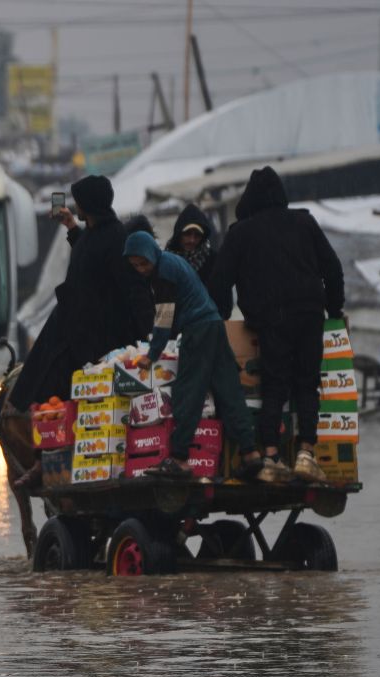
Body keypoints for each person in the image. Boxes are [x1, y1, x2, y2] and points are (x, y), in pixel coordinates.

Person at [211, 167, 345, 482]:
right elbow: (332, 268)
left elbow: (219, 283)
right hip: (310, 313)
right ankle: (306, 453)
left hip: (271, 318)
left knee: (275, 384)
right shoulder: (305, 222)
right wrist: (334, 308)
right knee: (307, 383)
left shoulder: (240, 232)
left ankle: (270, 456)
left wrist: (222, 316)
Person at [124, 231, 264, 478]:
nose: (141, 269)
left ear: (151, 255)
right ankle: (250, 452)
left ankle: (179, 457)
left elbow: (163, 317)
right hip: (213, 325)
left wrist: (152, 354)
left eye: (143, 263)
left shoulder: (163, 272)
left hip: (198, 330)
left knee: (188, 391)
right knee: (228, 389)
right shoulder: (170, 261)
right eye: (135, 265)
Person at [8, 175, 154, 412]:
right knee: (41, 373)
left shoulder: (116, 237)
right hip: (74, 325)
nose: (77, 208)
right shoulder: (96, 232)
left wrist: (150, 337)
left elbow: (134, 289)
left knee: (57, 380)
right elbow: (89, 255)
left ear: (90, 205)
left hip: (97, 336)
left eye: (80, 203)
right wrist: (71, 227)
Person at [165, 204, 217, 284]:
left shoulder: (213, 261)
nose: (192, 240)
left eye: (197, 235)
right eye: (187, 233)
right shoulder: (166, 261)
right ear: (179, 235)